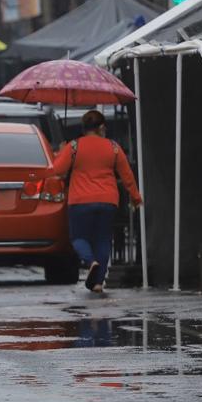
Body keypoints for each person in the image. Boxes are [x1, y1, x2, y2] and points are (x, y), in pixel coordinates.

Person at [52, 110, 142, 293]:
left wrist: (61, 152)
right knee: (102, 240)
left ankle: (90, 260)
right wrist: (135, 198)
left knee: (78, 238)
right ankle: (98, 282)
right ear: (101, 127)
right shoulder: (114, 147)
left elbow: (57, 170)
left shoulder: (74, 146)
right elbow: (127, 176)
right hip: (108, 201)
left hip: (80, 201)